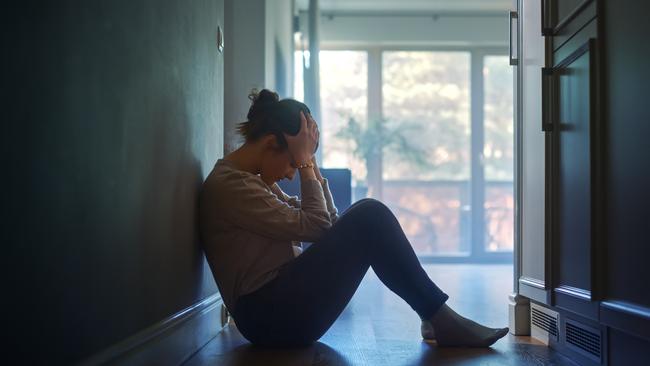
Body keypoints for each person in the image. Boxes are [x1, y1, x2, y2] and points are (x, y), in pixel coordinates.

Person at [199, 88, 509, 348]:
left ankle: (435, 317)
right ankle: (439, 318)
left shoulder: (250, 182)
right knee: (370, 213)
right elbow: (318, 225)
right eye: (293, 163)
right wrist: (306, 163)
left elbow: (327, 226)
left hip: (278, 309)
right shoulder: (232, 186)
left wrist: (310, 163)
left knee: (367, 214)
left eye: (298, 165)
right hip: (269, 318)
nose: (291, 174)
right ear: (270, 144)